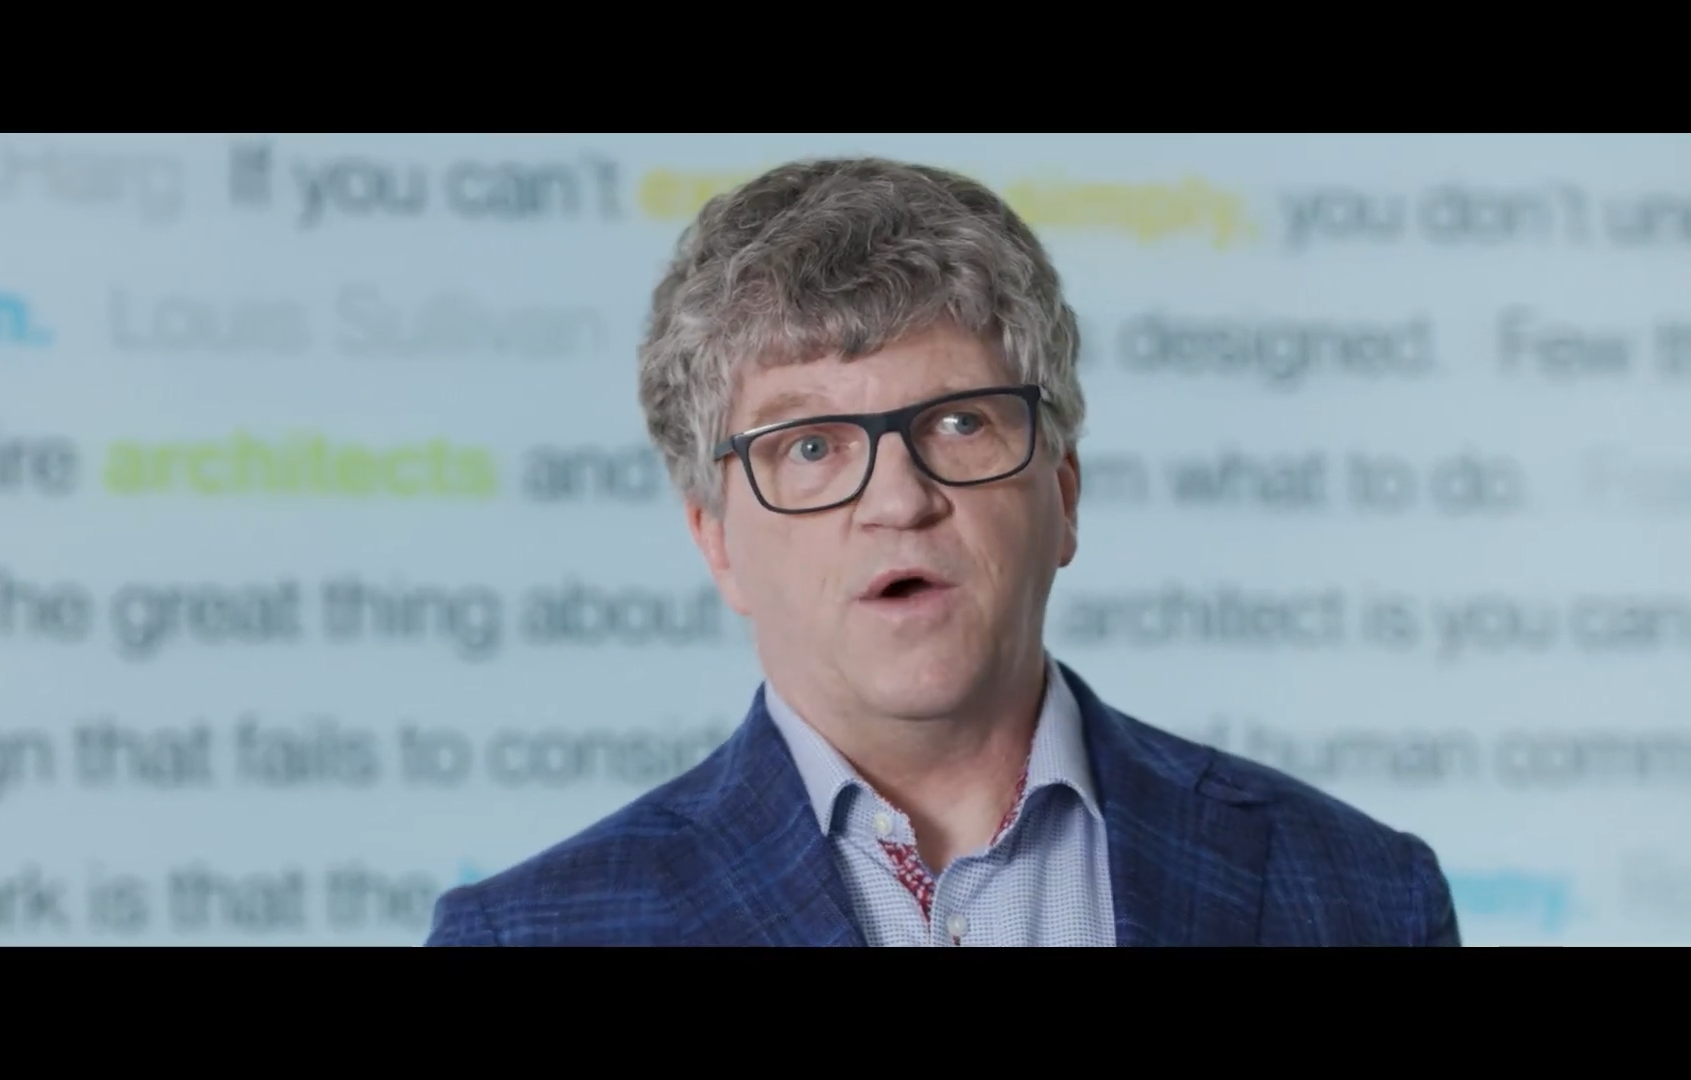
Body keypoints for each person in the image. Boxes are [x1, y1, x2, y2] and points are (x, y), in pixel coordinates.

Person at [425, 157, 1461, 947]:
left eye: (961, 424)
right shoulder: (531, 934)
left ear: (1063, 493)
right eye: (812, 446)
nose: (899, 500)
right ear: (716, 541)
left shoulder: (1363, 894)